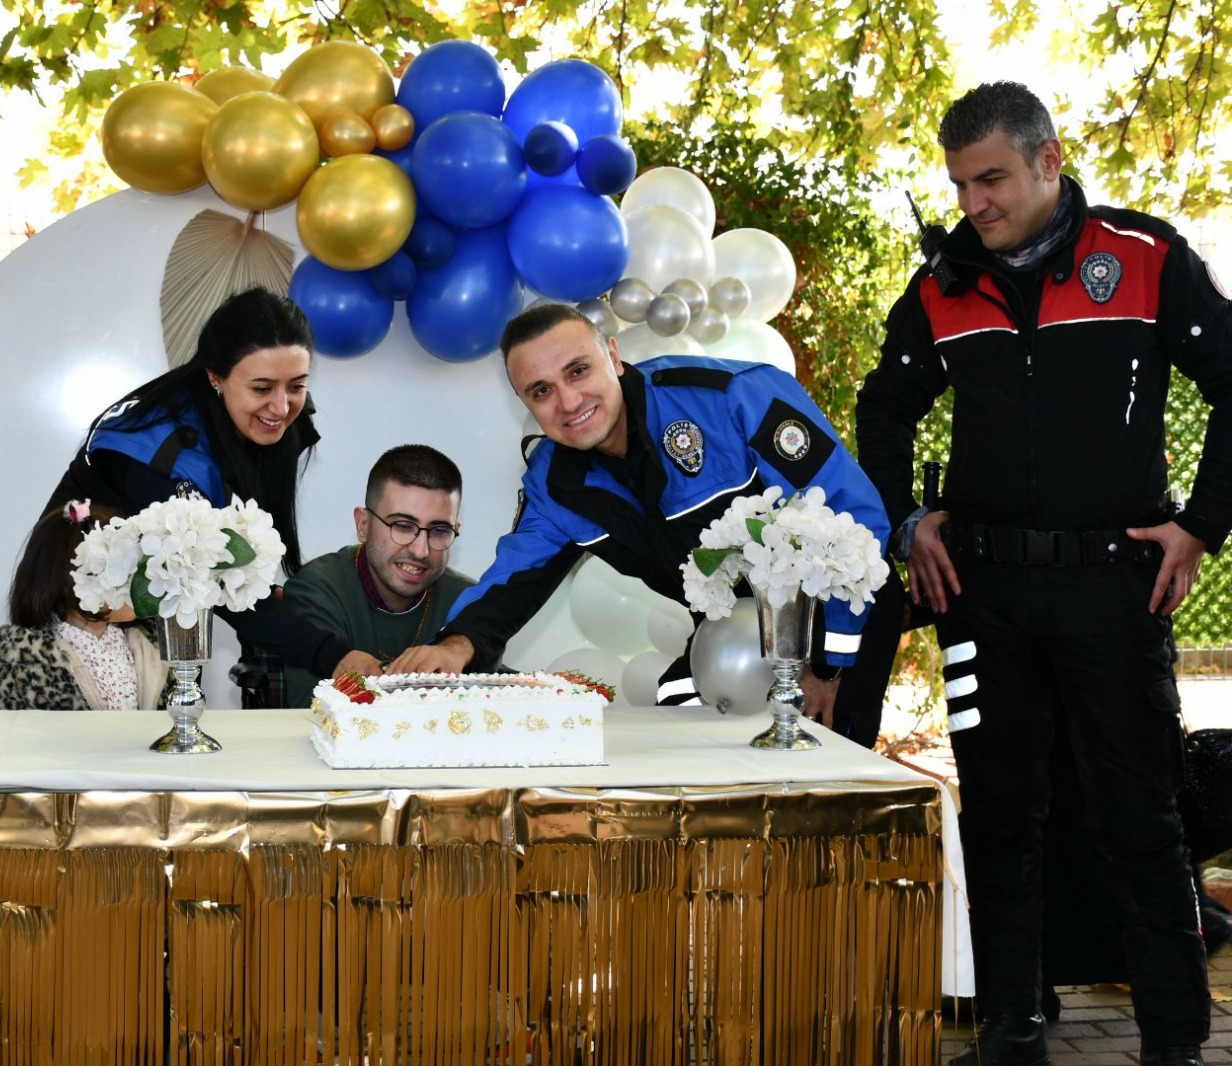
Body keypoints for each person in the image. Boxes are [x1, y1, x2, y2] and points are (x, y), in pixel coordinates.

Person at [855, 82, 1229, 1066]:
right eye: (960, 185)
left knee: (1139, 815)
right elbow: (880, 409)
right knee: (1000, 812)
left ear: (1047, 161)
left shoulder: (1142, 259)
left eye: (992, 180)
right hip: (983, 599)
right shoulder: (940, 285)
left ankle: (1176, 1040)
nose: (973, 204)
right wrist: (906, 521)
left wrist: (1200, 526)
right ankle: (1012, 1024)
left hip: (1118, 591)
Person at [389, 302, 890, 721]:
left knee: (821, 798)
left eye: (578, 371)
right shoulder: (555, 484)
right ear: (526, 402)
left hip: (838, 623)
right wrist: (455, 645)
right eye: (541, 391)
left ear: (613, 355)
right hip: (727, 637)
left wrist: (828, 667)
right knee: (674, 732)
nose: (568, 401)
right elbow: (512, 580)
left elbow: (858, 523)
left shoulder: (730, 398)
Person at [49, 286, 377, 703]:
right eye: (262, 388)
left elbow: (238, 554)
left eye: (296, 385)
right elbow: (214, 578)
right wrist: (332, 654)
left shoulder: (278, 420)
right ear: (215, 376)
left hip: (167, 619)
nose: (281, 406)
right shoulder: (159, 451)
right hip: (86, 632)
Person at [281, 444, 501, 703]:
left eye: (440, 530)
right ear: (363, 525)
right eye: (403, 526)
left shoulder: (470, 605)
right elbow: (312, 709)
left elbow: (489, 706)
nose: (421, 550)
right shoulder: (316, 591)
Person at [0, 500, 169, 710]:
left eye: (136, 568)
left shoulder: (150, 645)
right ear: (68, 582)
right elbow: (7, 735)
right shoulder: (24, 658)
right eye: (119, 572)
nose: (136, 582)